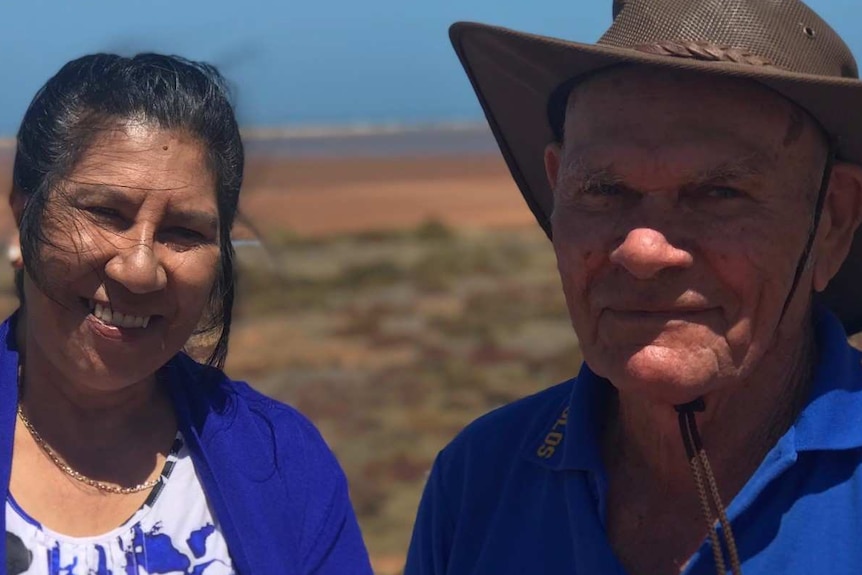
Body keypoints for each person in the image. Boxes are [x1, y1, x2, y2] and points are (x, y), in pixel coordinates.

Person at [406, 0, 862, 573]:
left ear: (833, 220)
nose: (643, 251)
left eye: (719, 193)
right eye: (602, 189)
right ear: (556, 191)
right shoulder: (484, 476)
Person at [1, 53, 372, 575]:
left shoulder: (283, 463)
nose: (139, 269)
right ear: (24, 213)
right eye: (107, 213)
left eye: (184, 232)